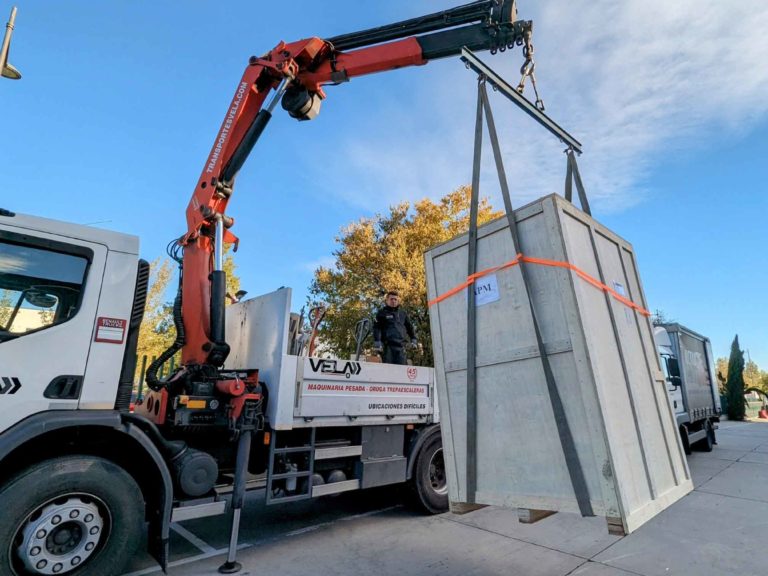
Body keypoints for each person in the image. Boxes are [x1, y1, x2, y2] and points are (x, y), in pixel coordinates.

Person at [373, 291, 417, 365]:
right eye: (391, 299)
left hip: (401, 347)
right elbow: (376, 328)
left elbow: (410, 327)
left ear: (398, 301)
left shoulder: (403, 314)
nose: (393, 301)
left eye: (395, 299)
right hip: (388, 347)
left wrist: (414, 339)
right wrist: (377, 341)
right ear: (387, 300)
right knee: (388, 370)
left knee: (401, 370)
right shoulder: (381, 313)